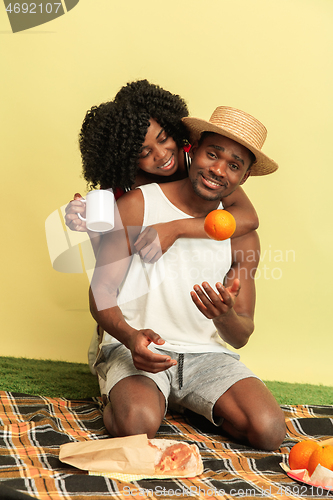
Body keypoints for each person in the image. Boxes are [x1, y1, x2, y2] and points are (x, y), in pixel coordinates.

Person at [89, 106, 286, 451]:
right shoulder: (138, 205)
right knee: (136, 425)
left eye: (234, 165)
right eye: (212, 154)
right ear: (192, 150)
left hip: (206, 357)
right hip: (138, 347)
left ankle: (188, 399)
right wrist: (130, 336)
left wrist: (225, 316)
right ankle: (125, 389)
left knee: (269, 431)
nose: (218, 170)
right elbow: (101, 291)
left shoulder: (242, 235)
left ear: (244, 178)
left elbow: (241, 335)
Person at [65, 80, 259, 260]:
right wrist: (92, 228)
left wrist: (175, 229)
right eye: (144, 152)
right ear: (125, 158)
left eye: (164, 139)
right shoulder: (120, 188)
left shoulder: (200, 162)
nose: (161, 155)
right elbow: (107, 262)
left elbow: (249, 218)